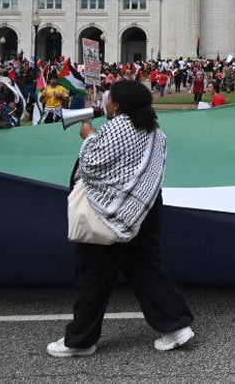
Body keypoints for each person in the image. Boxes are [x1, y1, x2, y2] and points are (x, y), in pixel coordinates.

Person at [49, 80, 195, 357]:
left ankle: (80, 340)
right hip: (145, 206)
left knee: (94, 274)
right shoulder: (154, 130)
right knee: (146, 268)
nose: (104, 103)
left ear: (117, 105)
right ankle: (176, 326)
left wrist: (90, 136)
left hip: (108, 211)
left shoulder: (118, 127)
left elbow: (92, 164)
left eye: (108, 99)